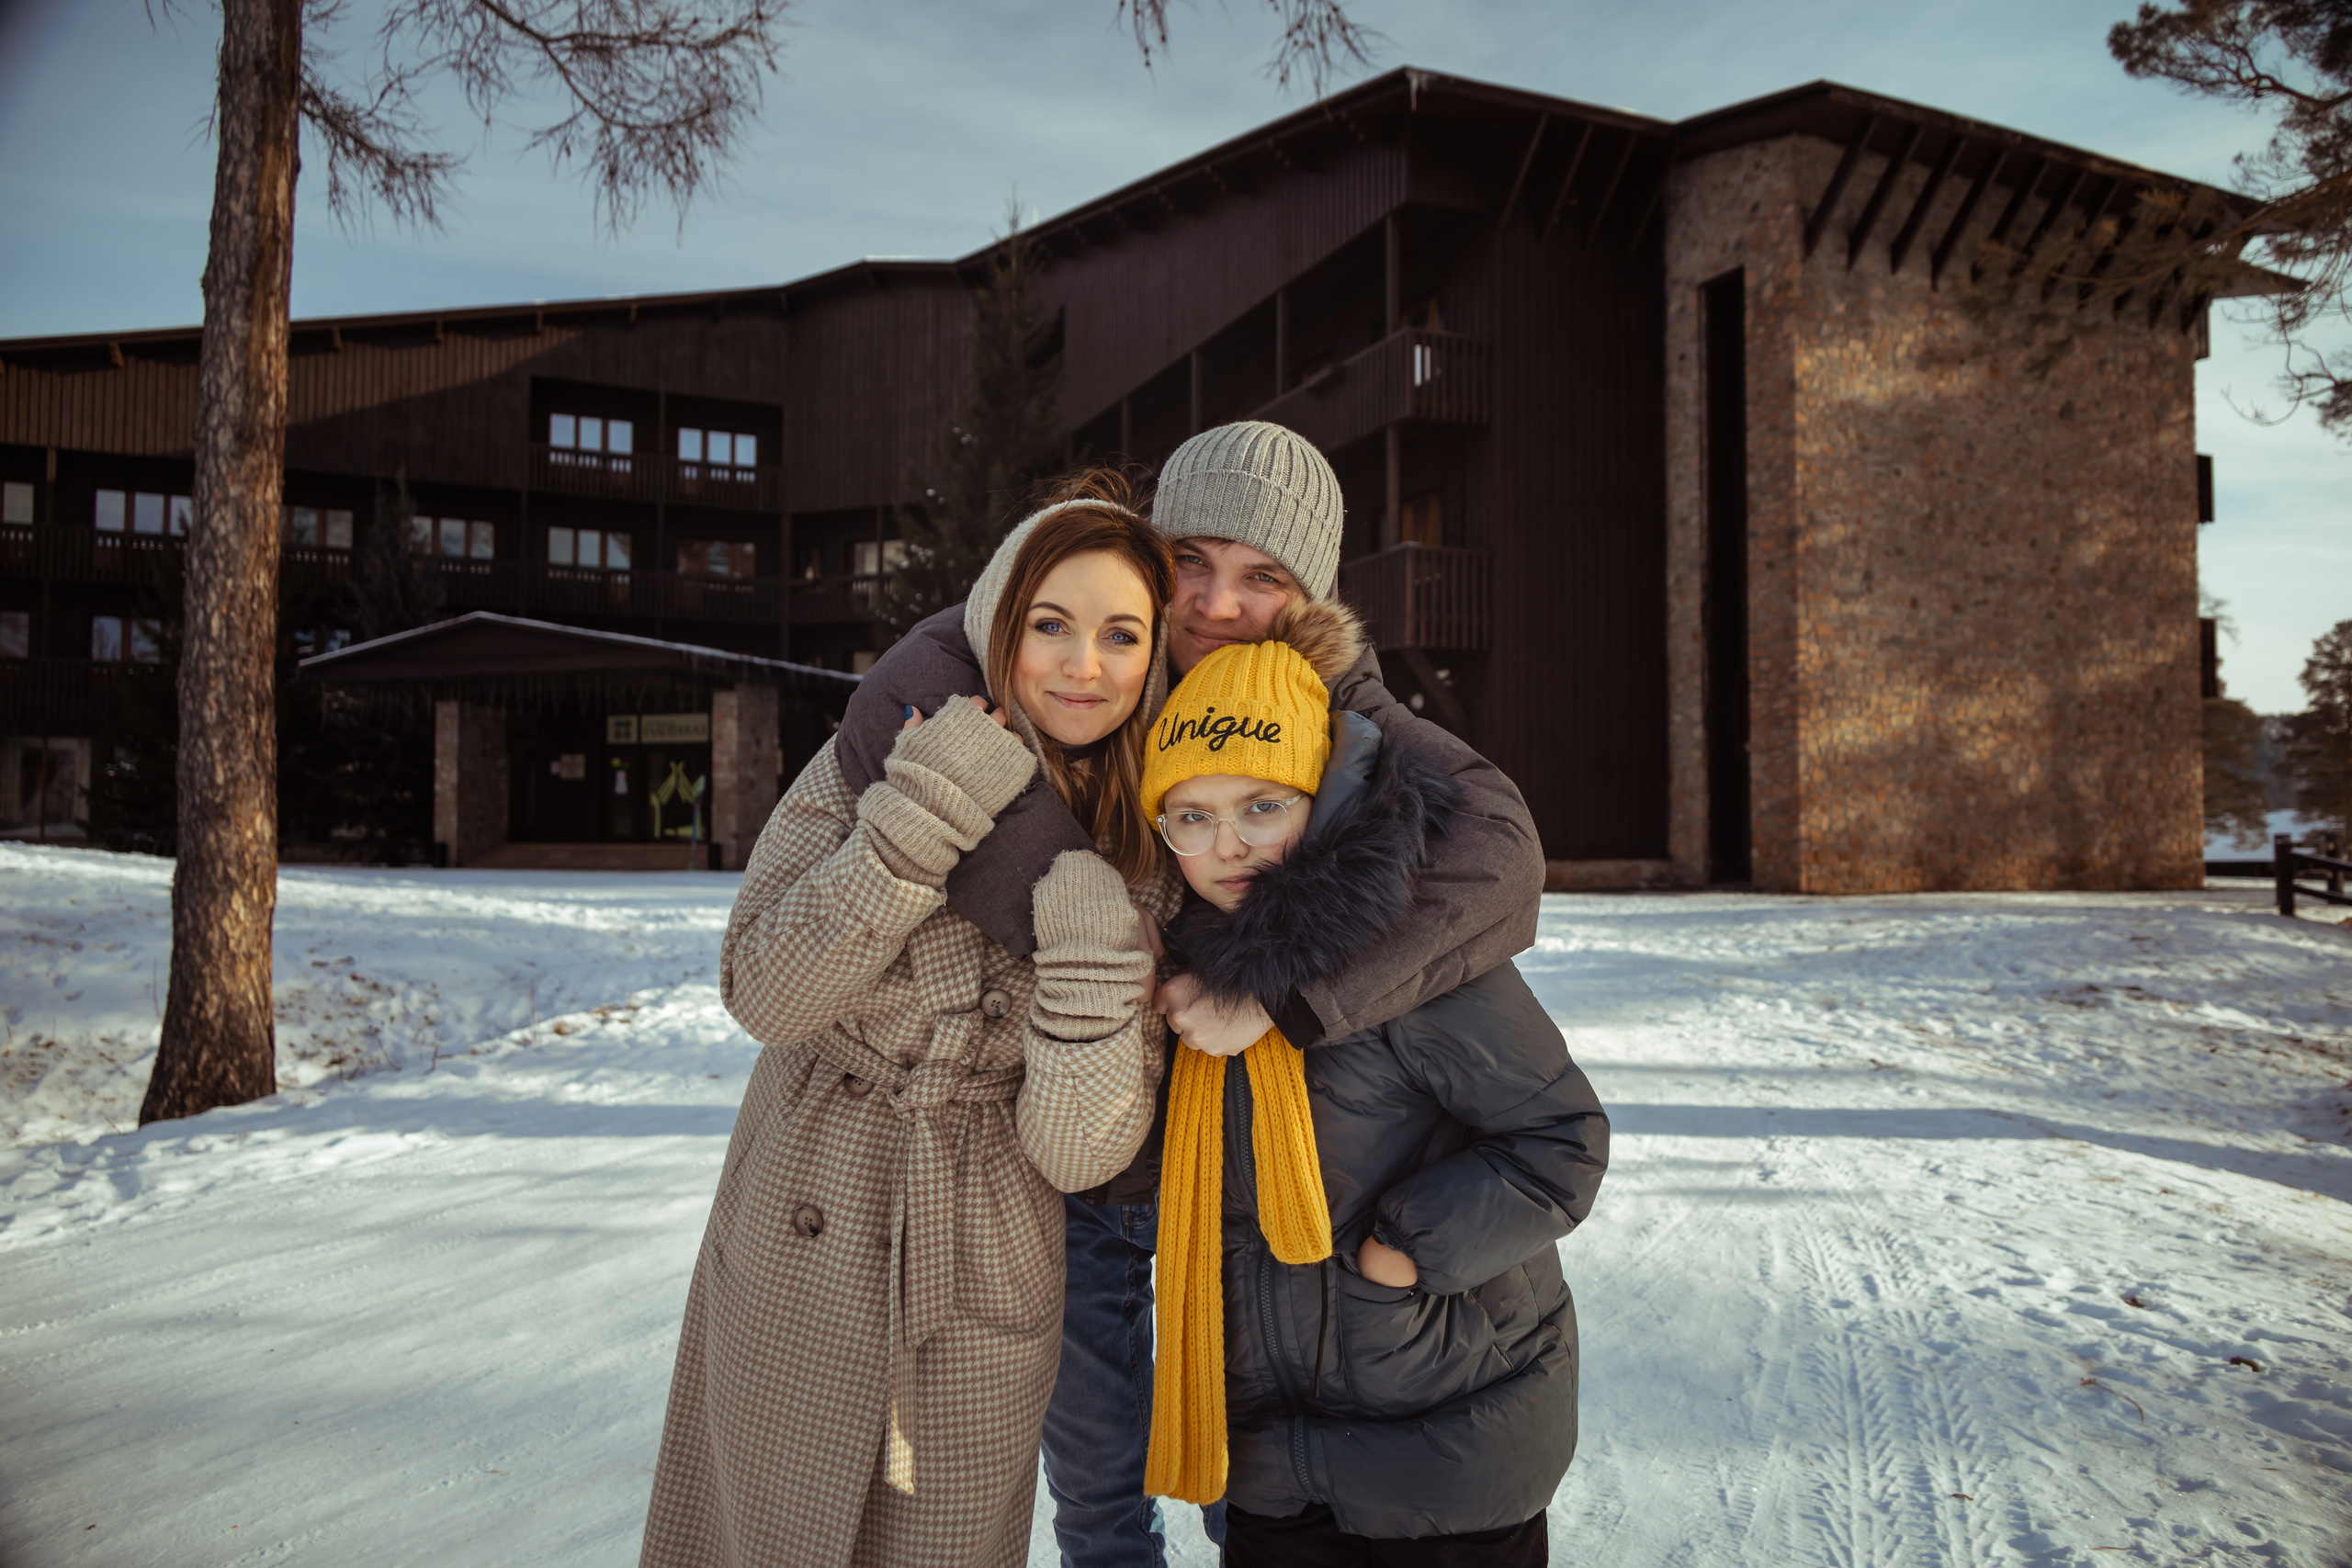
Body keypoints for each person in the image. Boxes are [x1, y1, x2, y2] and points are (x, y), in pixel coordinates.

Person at [832, 421, 1547, 1567]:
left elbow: (1498, 853)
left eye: (1264, 577)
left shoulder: (1328, 692)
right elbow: (898, 696)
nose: (1217, 604)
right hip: (1083, 1133)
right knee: (1096, 1476)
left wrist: (1281, 992)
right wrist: (1112, 954)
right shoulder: (1094, 632)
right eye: (1191, 561)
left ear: (1310, 597)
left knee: (1246, 1473)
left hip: (1243, 1159)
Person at [639, 491, 1183, 1568]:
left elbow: (1079, 1152)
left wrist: (1089, 966)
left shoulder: (1153, 845)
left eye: (1122, 635)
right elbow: (763, 993)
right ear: (999, 624)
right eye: (1051, 624)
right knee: (766, 1536)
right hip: (808, 1197)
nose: (1084, 665)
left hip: (985, 1249)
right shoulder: (886, 748)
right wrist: (923, 810)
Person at [1140, 594, 1609, 1566]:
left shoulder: (1407, 965)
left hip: (1453, 1451)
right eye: (1193, 816)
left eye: (1262, 805)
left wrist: (1403, 1249)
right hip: (1270, 1468)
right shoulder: (1182, 991)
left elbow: (1561, 1143)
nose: (1228, 845)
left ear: (1321, 798)